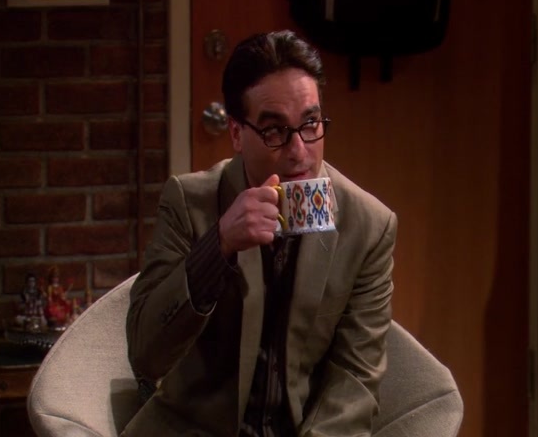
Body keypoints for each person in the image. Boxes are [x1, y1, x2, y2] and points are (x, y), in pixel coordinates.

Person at [124, 30, 397, 436]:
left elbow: (355, 381)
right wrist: (218, 246)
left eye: (310, 124)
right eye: (274, 131)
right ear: (237, 134)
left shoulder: (369, 225)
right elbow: (146, 355)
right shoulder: (189, 202)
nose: (299, 152)